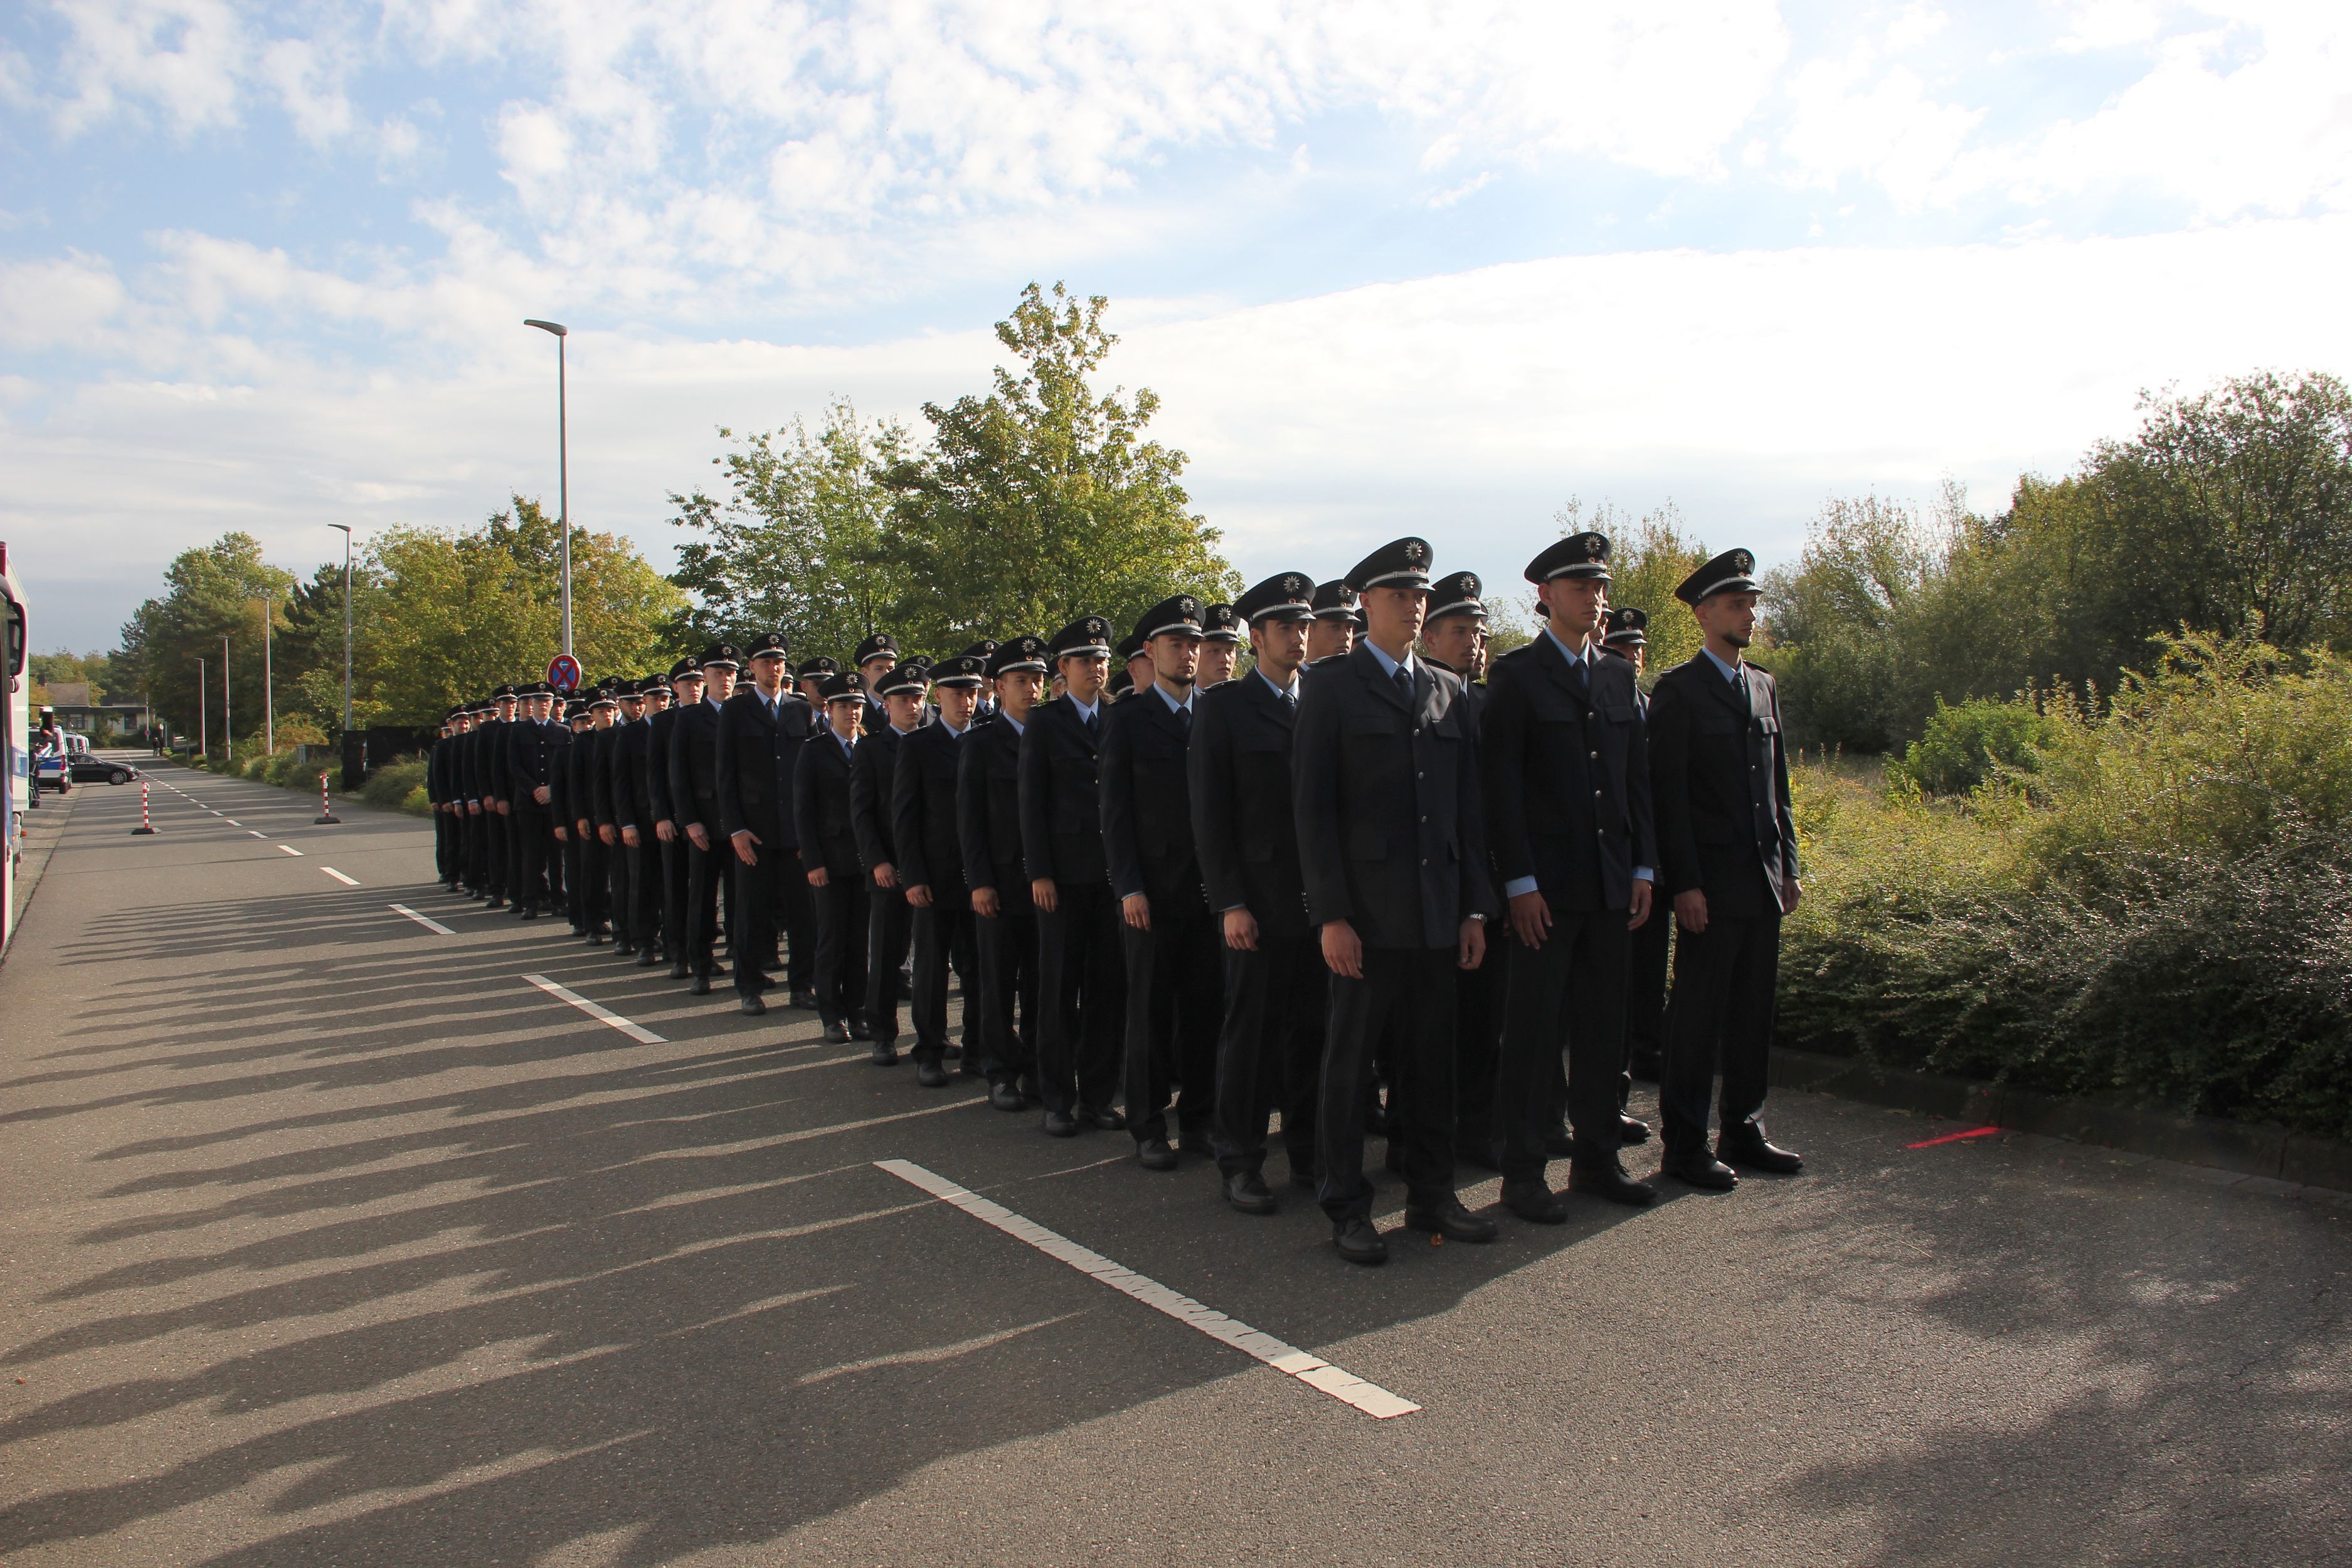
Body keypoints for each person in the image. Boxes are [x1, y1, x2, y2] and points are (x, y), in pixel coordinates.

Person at [1295, 536, 1498, 1264]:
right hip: (1366, 918)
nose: (1415, 607)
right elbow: (1312, 811)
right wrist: (1332, 916)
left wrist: (1474, 907)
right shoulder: (1331, 686)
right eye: (1401, 595)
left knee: (1430, 1063)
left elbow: (1464, 810)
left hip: (1435, 912)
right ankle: (1346, 1206)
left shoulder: (1445, 689)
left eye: (1421, 595)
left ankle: (1431, 1195)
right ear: (1367, 603)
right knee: (1350, 1066)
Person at [1484, 534, 1661, 1221]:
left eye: (1600, 587)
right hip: (1546, 892)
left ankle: (1595, 1159)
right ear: (1546, 596)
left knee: (1600, 1030)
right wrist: (1519, 883)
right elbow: (1501, 789)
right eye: (1581, 587)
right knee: (1530, 1036)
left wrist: (1643, 865)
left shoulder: (1618, 676)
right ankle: (1522, 1171)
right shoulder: (1518, 676)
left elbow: (1632, 781)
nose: (1595, 598)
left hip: (1610, 886)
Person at [1648, 549, 1804, 1189]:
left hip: (1762, 880)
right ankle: (1684, 1145)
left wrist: (1790, 866)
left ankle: (1744, 1126)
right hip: (1709, 886)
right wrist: (1683, 882)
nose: (1749, 613)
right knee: (1698, 1017)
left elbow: (1780, 787)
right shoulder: (1679, 691)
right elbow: (1669, 799)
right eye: (1737, 604)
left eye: (1752, 603)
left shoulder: (1762, 684)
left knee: (1751, 1014)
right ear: (1705, 613)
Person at [1192, 571, 1323, 1214]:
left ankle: (1308, 1150)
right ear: (1257, 636)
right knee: (1251, 1035)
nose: (1299, 637)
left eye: (1304, 625)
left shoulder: (1320, 698)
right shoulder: (1223, 707)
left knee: (1312, 1030)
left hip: (1317, 900)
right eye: (1286, 627)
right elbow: (1210, 815)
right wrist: (1230, 902)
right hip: (1258, 902)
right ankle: (1239, 1158)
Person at [1103, 594, 1219, 1170]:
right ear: (1151, 652)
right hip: (1151, 890)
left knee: (1205, 1010)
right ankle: (1147, 1124)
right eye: (1177, 643)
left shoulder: (1217, 713)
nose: (1189, 653)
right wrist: (1128, 886)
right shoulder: (1126, 718)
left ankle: (1200, 1121)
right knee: (1149, 1010)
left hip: (1210, 890)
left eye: (1195, 644)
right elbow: (1115, 813)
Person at [1022, 615, 1128, 1137]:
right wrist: (1039, 871)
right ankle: (1058, 1099)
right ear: (1063, 668)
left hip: (1111, 878)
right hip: (1062, 880)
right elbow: (1032, 803)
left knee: (1107, 993)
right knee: (1059, 993)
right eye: (1087, 660)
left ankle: (1098, 1099)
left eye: (1103, 659)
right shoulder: (1046, 723)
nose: (1098, 668)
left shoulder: (1120, 715)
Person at [1421, 571, 1509, 1171]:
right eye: (1459, 632)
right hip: (1439, 888)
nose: (1472, 644)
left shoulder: (1491, 702)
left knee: (1486, 1023)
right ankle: (1422, 1136)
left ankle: (1477, 1130)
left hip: (1493, 887)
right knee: (1430, 1030)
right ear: (1429, 637)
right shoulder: (1426, 701)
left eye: (1479, 632)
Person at [961, 635, 1049, 1111]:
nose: (1032, 689)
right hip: (998, 879)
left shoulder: (1052, 734)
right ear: (999, 685)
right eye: (1021, 681)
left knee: (1042, 981)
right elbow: (969, 819)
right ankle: (1000, 1071)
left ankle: (1038, 1066)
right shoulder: (982, 742)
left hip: (1046, 883)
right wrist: (978, 881)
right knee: (998, 981)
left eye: (1038, 679)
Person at [893, 652, 985, 1086]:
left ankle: (976, 1048)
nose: (966, 702)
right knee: (931, 971)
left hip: (980, 877)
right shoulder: (918, 745)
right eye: (956, 693)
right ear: (937, 695)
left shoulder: (986, 740)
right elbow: (905, 818)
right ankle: (929, 1050)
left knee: (978, 968)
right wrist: (912, 876)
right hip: (934, 877)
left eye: (972, 693)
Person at [717, 632, 817, 1015]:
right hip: (754, 831)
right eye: (765, 662)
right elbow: (725, 776)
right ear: (752, 668)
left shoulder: (800, 709)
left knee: (801, 914)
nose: (773, 669)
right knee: (750, 914)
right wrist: (735, 829)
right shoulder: (735, 710)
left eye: (779, 663)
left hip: (794, 832)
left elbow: (810, 777)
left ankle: (802, 985)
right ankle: (750, 986)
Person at [1603, 607, 1671, 1083]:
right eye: (1624, 648)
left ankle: (1648, 1050)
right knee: (1616, 980)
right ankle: (1621, 1063)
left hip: (1651, 861)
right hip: (1612, 863)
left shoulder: (1654, 705)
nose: (1633, 656)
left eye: (1638, 649)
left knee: (1650, 969)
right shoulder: (1603, 702)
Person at [852, 661, 925, 1064]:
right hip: (888, 867)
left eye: (917, 698)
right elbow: (862, 813)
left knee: (927, 958)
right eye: (903, 700)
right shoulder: (872, 749)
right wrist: (876, 860)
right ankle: (882, 1033)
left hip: (928, 867)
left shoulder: (933, 743)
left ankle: (929, 1035)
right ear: (887, 704)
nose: (912, 707)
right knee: (886, 954)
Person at [795, 670, 872, 1044]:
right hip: (829, 860)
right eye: (844, 706)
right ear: (830, 709)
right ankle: (831, 1014)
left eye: (857, 705)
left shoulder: (871, 748)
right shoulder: (814, 750)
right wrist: (813, 862)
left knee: (860, 942)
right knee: (831, 940)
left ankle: (857, 1012)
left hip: (865, 860)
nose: (852, 713)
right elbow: (804, 812)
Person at [669, 645, 739, 993]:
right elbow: (679, 775)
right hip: (705, 823)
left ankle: (745, 965)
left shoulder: (744, 712)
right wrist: (689, 820)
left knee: (742, 899)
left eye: (730, 673)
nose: (724, 680)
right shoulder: (689, 718)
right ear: (706, 678)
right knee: (703, 896)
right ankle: (700, 964)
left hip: (741, 823)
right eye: (717, 674)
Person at [646, 658, 701, 978]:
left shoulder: (716, 715)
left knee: (705, 893)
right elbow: (656, 774)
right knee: (677, 887)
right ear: (675, 688)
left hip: (707, 818)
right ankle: (679, 952)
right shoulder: (664, 722)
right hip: (676, 820)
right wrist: (662, 815)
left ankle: (702, 951)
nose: (693, 688)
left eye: (697, 683)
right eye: (687, 683)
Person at [505, 683, 563, 919]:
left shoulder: (563, 731)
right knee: (531, 853)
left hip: (554, 802)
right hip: (528, 802)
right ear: (532, 705)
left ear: (552, 704)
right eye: (538, 703)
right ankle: (531, 901)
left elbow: (564, 768)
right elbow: (514, 766)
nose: (542, 706)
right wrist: (534, 789)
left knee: (556, 854)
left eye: (547, 702)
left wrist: (551, 789)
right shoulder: (518, 732)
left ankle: (559, 899)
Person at [573, 684, 618, 942]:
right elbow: (576, 783)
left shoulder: (620, 735)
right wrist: (579, 816)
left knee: (620, 872)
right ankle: (593, 922)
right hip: (591, 815)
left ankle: (618, 918)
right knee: (593, 871)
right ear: (593, 715)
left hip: (618, 814)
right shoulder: (584, 742)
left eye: (611, 710)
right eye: (601, 711)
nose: (607, 715)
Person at [856, 633, 901, 738]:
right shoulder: (857, 710)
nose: (886, 673)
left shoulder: (903, 706)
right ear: (865, 673)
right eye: (879, 669)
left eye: (890, 669)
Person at [1306, 581, 1359, 666]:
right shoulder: (1297, 679)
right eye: (1335, 627)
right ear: (1309, 632)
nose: (1346, 636)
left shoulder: (1359, 679)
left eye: (1349, 628)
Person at [1197, 604, 1241, 687]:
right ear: (1197, 652)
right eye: (1215, 651)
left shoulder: (1251, 698)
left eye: (1229, 651)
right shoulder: (1182, 699)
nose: (1225, 659)